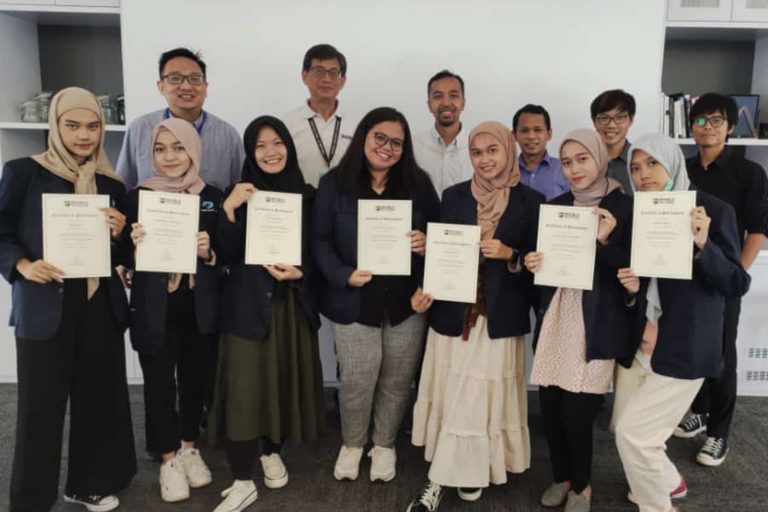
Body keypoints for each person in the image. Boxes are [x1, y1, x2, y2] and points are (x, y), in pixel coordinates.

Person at [0, 87, 136, 512]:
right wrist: (22, 265)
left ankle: (87, 485)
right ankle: (31, 501)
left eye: (93, 126)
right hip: (45, 301)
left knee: (98, 399)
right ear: (54, 126)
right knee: (40, 408)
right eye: (72, 125)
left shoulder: (112, 182)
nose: (84, 135)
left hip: (98, 305)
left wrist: (120, 235)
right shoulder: (24, 172)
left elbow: (126, 255)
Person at [406, 121, 542, 511]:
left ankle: (470, 468)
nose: (484, 160)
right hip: (452, 313)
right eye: (477, 153)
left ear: (507, 150)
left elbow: (539, 268)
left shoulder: (530, 202)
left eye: (492, 151)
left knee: (481, 396)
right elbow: (439, 253)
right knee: (454, 394)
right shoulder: (452, 197)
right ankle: (442, 476)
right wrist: (425, 267)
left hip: (498, 318)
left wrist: (512, 256)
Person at [612, 133, 750, 512]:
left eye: (652, 164)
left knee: (635, 436)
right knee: (630, 431)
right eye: (635, 168)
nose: (643, 175)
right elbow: (639, 284)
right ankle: (671, 483)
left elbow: (736, 283)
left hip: (686, 343)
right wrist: (631, 287)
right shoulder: (638, 212)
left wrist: (704, 245)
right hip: (642, 341)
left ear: (671, 162)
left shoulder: (711, 210)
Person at [311, 107, 440, 483]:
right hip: (353, 300)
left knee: (397, 378)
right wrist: (342, 275)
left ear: (405, 147)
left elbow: (441, 237)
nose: (387, 147)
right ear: (364, 137)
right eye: (379, 138)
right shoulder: (334, 183)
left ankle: (383, 445)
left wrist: (426, 244)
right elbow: (318, 239)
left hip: (407, 304)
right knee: (356, 378)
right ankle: (352, 444)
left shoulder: (419, 184)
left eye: (396, 142)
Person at [209, 116, 326, 512]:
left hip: (290, 304)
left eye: (277, 143)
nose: (270, 152)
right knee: (243, 391)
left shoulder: (309, 197)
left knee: (282, 381)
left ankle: (272, 450)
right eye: (260, 146)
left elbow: (318, 253)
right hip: (245, 306)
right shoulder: (236, 194)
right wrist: (228, 209)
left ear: (289, 149)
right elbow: (221, 256)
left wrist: (301, 272)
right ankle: (242, 478)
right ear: (249, 152)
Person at [524, 128, 635, 512]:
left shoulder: (623, 207)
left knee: (578, 414)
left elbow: (633, 271)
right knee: (551, 407)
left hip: (597, 322)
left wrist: (604, 242)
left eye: (582, 159)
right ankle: (562, 477)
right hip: (557, 315)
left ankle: (583, 487)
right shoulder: (555, 207)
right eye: (567, 162)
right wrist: (532, 263)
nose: (574, 169)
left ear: (600, 157)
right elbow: (542, 267)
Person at [125, 118, 222, 503]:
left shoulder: (212, 194)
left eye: (178, 147)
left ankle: (189, 447)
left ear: (193, 150)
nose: (169, 157)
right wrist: (131, 246)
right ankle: (167, 458)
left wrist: (208, 250)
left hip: (199, 306)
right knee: (159, 385)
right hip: (154, 306)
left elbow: (226, 252)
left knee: (195, 380)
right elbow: (119, 255)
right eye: (160, 149)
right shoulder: (136, 196)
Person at [675, 93, 768, 466]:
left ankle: (719, 432)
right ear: (690, 126)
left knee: (722, 355)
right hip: (685, 276)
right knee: (690, 347)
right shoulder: (682, 171)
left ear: (730, 127)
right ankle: (697, 411)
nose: (707, 128)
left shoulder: (749, 173)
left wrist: (735, 274)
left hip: (724, 276)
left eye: (715, 121)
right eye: (700, 121)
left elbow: (758, 230)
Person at [116, 47, 244, 192]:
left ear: (205, 87)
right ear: (161, 86)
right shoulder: (140, 129)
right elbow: (123, 185)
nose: (186, 86)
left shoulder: (227, 135)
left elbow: (239, 189)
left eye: (195, 79)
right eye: (175, 78)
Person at [283, 44, 357, 188]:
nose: (326, 79)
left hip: (343, 204)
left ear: (343, 81)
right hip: (301, 204)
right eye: (319, 71)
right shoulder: (288, 123)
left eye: (334, 73)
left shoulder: (357, 124)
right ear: (304, 76)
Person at [412, 70, 473, 195]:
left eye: (454, 95)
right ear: (429, 105)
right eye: (438, 96)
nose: (446, 103)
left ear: (463, 103)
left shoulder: (477, 146)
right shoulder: (413, 146)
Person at [513, 104, 569, 200]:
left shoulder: (565, 169)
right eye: (524, 130)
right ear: (514, 135)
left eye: (538, 130)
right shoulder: (506, 171)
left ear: (549, 134)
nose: (531, 136)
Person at [590, 89, 635, 196]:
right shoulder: (583, 159)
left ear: (631, 120)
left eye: (620, 117)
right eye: (604, 118)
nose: (611, 125)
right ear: (594, 121)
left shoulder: (641, 160)